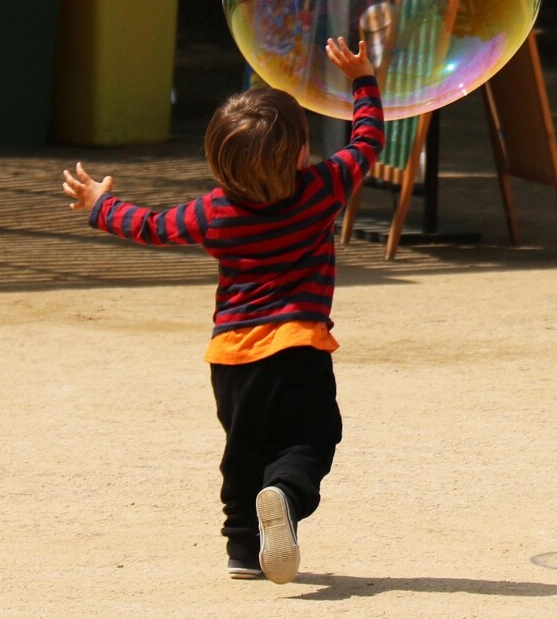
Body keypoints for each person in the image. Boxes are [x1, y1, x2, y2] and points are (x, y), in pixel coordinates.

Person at [61, 37, 384, 584]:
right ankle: (284, 494)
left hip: (230, 359)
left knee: (244, 450)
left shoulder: (214, 212)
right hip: (298, 349)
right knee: (309, 439)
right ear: (301, 153)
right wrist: (363, 81)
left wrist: (100, 204)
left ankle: (242, 550)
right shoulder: (321, 190)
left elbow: (151, 227)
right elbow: (367, 141)